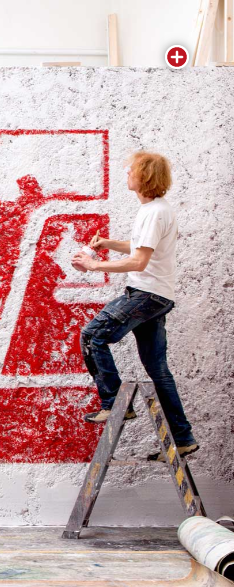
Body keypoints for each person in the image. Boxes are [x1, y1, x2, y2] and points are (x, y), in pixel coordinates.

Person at [70, 151, 198, 460]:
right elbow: (142, 246)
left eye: (131, 171)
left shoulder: (154, 212)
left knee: (92, 336)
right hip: (158, 296)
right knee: (157, 369)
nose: (127, 174)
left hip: (145, 294)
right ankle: (183, 438)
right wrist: (109, 244)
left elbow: (139, 261)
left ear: (144, 177)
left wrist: (93, 265)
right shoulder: (156, 210)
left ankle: (114, 402)